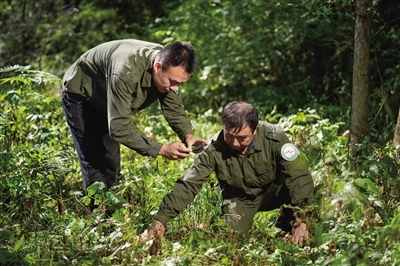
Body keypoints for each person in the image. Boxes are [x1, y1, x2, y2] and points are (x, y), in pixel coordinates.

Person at [141, 101, 314, 245]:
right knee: (230, 241)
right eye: (229, 135)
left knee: (305, 220)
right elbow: (189, 184)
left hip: (276, 193)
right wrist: (160, 220)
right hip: (240, 199)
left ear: (255, 130)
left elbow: (299, 176)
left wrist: (302, 219)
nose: (235, 143)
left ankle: (287, 223)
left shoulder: (274, 137)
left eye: (242, 138)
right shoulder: (214, 149)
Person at [61, 39, 207, 207]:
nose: (174, 88)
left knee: (111, 161)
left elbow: (174, 108)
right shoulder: (126, 71)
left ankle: (109, 212)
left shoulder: (169, 71)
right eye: (172, 82)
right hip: (82, 95)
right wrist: (161, 149)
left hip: (108, 100)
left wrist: (188, 135)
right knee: (94, 159)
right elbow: (119, 126)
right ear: (158, 66)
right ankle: (96, 218)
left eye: (180, 84)